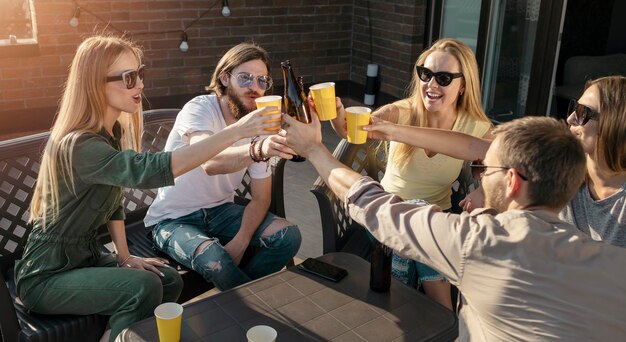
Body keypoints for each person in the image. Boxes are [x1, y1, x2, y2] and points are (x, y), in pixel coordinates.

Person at [14, 35, 279, 342]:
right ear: (94, 84)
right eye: (129, 78)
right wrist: (240, 131)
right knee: (143, 287)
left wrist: (125, 256)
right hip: (45, 276)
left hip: (84, 258)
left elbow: (112, 202)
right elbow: (148, 171)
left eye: (140, 74)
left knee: (166, 279)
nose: (139, 84)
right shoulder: (81, 145)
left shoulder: (107, 136)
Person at [283, 112, 626, 340]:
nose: (480, 178)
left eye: (483, 172)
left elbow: (370, 202)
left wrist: (313, 148)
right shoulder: (614, 264)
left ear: (511, 181)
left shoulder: (477, 243)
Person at [319, 38, 492, 309]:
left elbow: (494, 167)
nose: (431, 84)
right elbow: (352, 132)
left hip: (437, 218)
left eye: (444, 78)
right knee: (418, 223)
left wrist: (482, 189)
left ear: (463, 85)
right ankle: (444, 315)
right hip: (384, 216)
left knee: (419, 225)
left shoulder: (477, 128)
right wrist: (337, 114)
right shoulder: (400, 112)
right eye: (426, 74)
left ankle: (398, 305)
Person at [364, 75, 626, 247]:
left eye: (583, 113)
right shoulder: (565, 163)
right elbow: (471, 146)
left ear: (616, 125)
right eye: (573, 108)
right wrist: (389, 130)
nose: (570, 119)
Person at [144, 43, 302, 291]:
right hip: (172, 219)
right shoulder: (200, 108)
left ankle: (235, 303)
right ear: (225, 78)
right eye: (245, 78)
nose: (255, 87)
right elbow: (210, 162)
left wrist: (241, 241)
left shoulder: (260, 123)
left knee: (288, 237)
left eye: (262, 81)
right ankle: (250, 310)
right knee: (216, 260)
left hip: (221, 212)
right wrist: (258, 149)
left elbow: (261, 198)